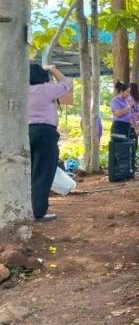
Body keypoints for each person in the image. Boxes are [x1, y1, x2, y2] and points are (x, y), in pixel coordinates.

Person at [28, 63, 73, 222]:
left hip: (26, 132)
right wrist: (52, 69)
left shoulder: (22, 90)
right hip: (46, 134)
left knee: (29, 172)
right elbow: (67, 84)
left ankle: (26, 209)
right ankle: (38, 212)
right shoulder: (46, 89)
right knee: (43, 173)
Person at [128, 82, 139, 172]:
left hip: (133, 125)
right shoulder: (131, 99)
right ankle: (131, 165)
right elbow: (133, 115)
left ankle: (132, 165)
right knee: (133, 146)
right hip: (132, 126)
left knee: (133, 146)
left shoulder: (133, 99)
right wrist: (138, 127)